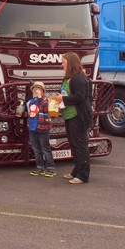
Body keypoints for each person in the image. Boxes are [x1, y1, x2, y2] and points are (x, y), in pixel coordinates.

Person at [53, 52, 93, 185]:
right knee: (73, 144)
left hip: (78, 116)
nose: (62, 64)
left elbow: (80, 97)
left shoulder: (78, 79)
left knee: (80, 145)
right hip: (69, 115)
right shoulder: (67, 78)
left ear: (70, 63)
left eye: (64, 62)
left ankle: (83, 175)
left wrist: (63, 98)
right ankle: (76, 171)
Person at [26, 81, 56, 177]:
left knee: (45, 149)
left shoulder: (46, 101)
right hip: (32, 128)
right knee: (36, 149)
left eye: (38, 89)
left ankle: (50, 168)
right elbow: (29, 113)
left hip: (43, 128)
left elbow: (51, 113)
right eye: (34, 89)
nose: (36, 91)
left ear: (43, 92)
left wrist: (40, 99)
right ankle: (39, 167)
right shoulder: (30, 102)